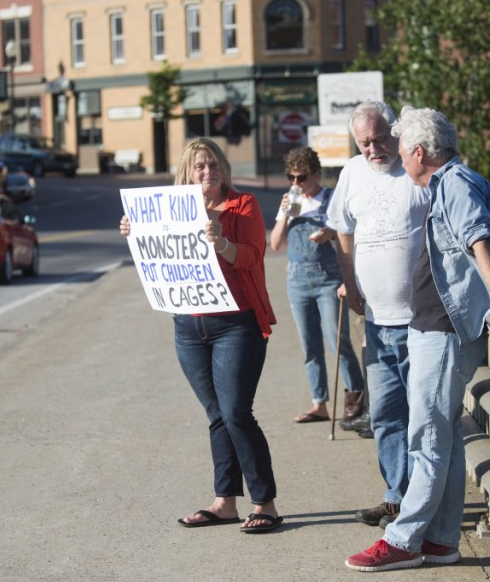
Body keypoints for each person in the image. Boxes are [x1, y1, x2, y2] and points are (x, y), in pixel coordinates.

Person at [345, 106, 490, 572]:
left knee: (425, 436)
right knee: (442, 439)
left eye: (401, 147)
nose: (398, 158)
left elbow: (478, 237)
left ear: (418, 152)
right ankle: (444, 540)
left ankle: (403, 540)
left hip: (443, 330)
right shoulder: (445, 184)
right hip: (431, 324)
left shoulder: (454, 182)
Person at [118, 138, 283, 533]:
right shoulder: (169, 210)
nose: (207, 172)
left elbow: (253, 256)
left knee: (236, 413)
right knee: (216, 416)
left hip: (236, 324)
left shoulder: (242, 205)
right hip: (189, 326)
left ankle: (266, 503)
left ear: (223, 167)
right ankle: (224, 501)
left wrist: (222, 242)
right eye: (199, 167)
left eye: (212, 165)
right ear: (187, 172)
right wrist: (134, 232)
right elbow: (158, 255)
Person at [327, 101, 430, 529]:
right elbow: (343, 229)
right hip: (376, 320)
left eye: (380, 138)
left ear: (396, 132)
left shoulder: (416, 168)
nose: (374, 149)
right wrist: (349, 280)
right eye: (365, 142)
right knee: (387, 415)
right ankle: (395, 497)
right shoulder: (352, 172)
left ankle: (425, 503)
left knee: (423, 417)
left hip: (421, 320)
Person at [269, 146, 364, 424]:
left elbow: (350, 232)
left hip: (328, 279)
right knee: (309, 345)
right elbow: (275, 244)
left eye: (303, 178)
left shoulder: (332, 199)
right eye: (292, 177)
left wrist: (329, 233)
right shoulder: (289, 201)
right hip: (297, 280)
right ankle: (319, 403)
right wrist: (286, 214)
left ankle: (355, 402)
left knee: (337, 340)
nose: (297, 184)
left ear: (317, 174)